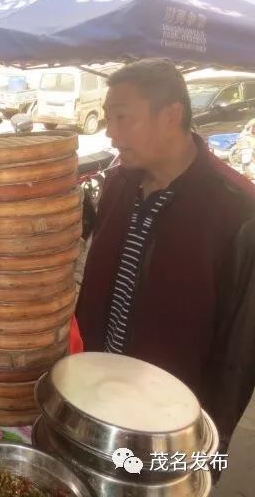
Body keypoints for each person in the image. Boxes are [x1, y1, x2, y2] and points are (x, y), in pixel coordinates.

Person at [76, 58, 255, 452]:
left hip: (169, 423)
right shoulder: (118, 185)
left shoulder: (237, 210)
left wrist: (209, 447)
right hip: (94, 394)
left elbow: (238, 355)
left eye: (123, 118)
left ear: (171, 115)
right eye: (108, 118)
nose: (110, 133)